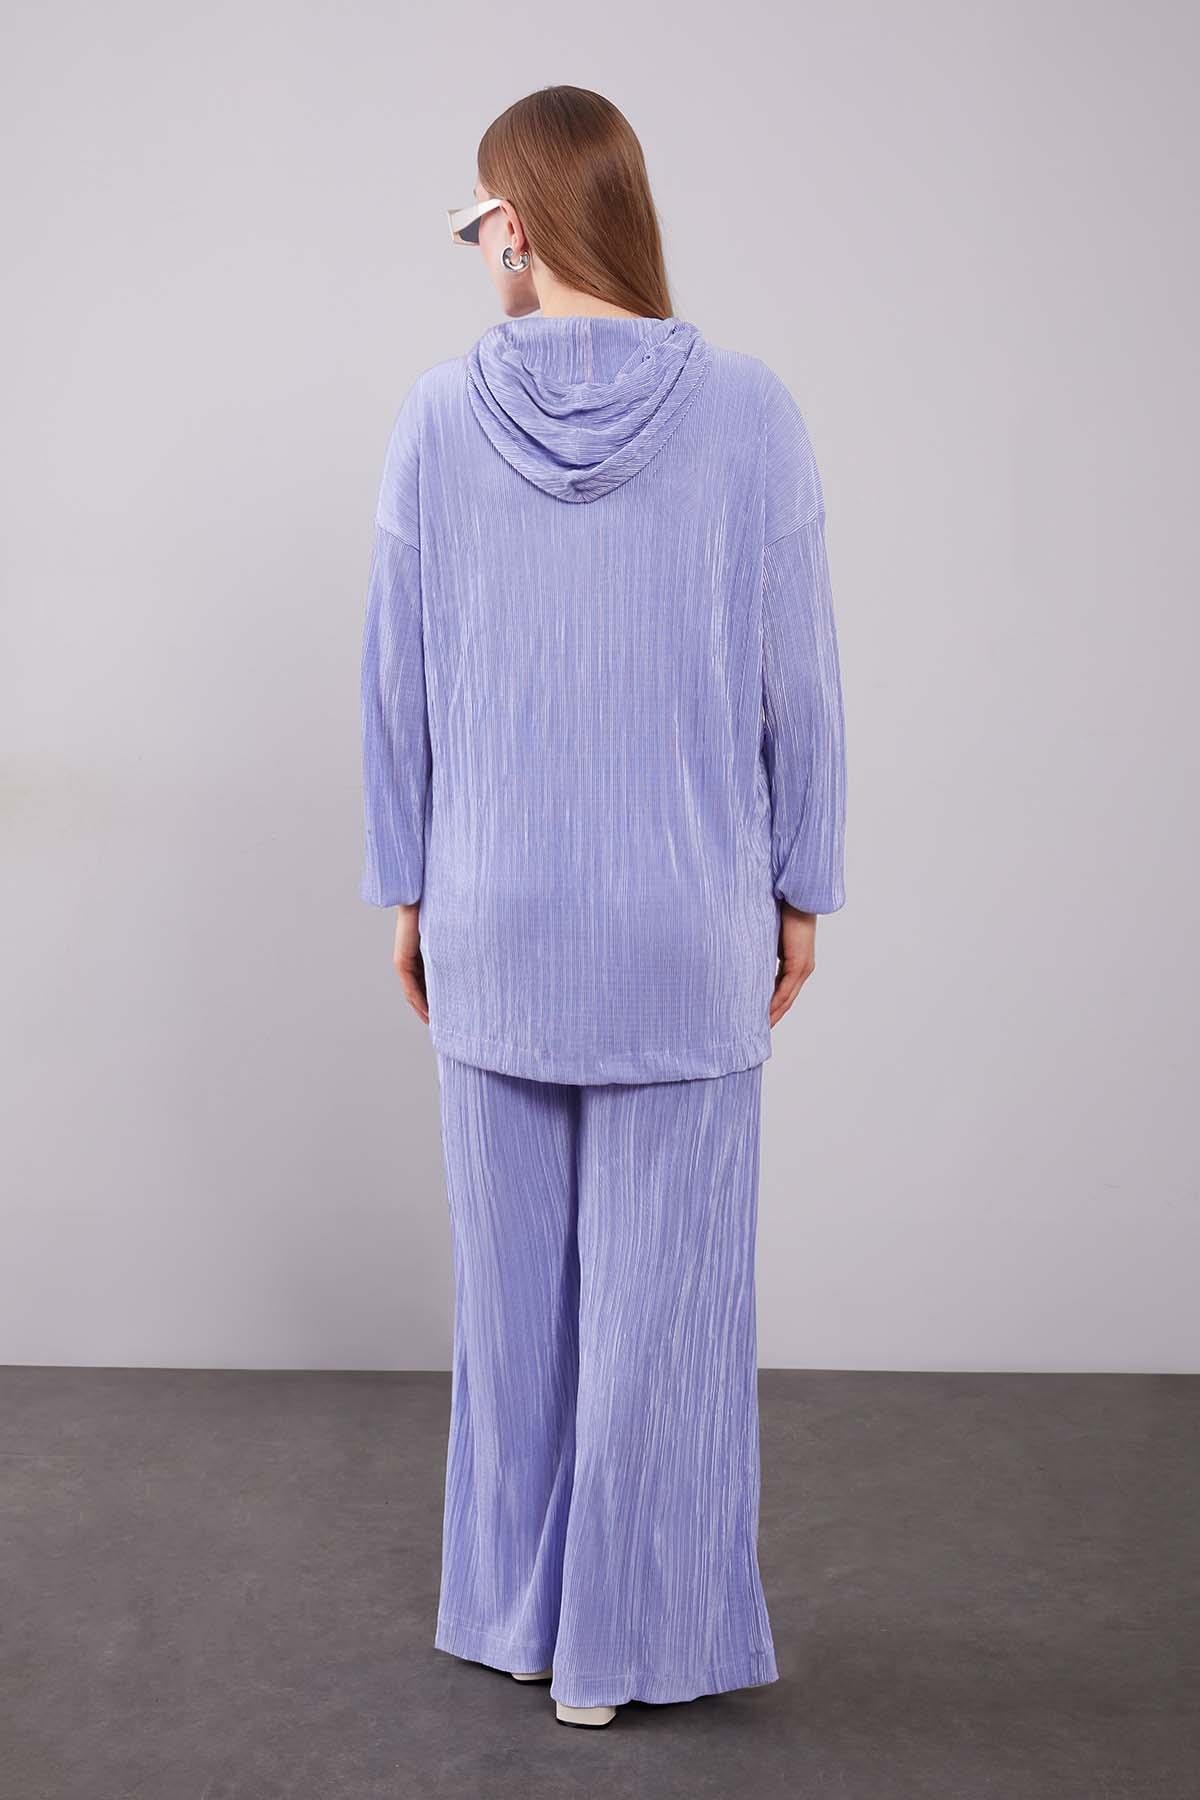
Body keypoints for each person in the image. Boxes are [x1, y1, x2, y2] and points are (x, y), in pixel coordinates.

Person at [358, 84, 847, 1730]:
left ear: (512, 224)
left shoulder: (437, 417)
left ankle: (519, 1618)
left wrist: (409, 884)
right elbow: (798, 681)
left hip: (496, 912)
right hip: (683, 919)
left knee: (514, 1315)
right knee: (667, 1321)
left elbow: (397, 684)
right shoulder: (753, 412)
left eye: (477, 223)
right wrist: (802, 883)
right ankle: (629, 1647)